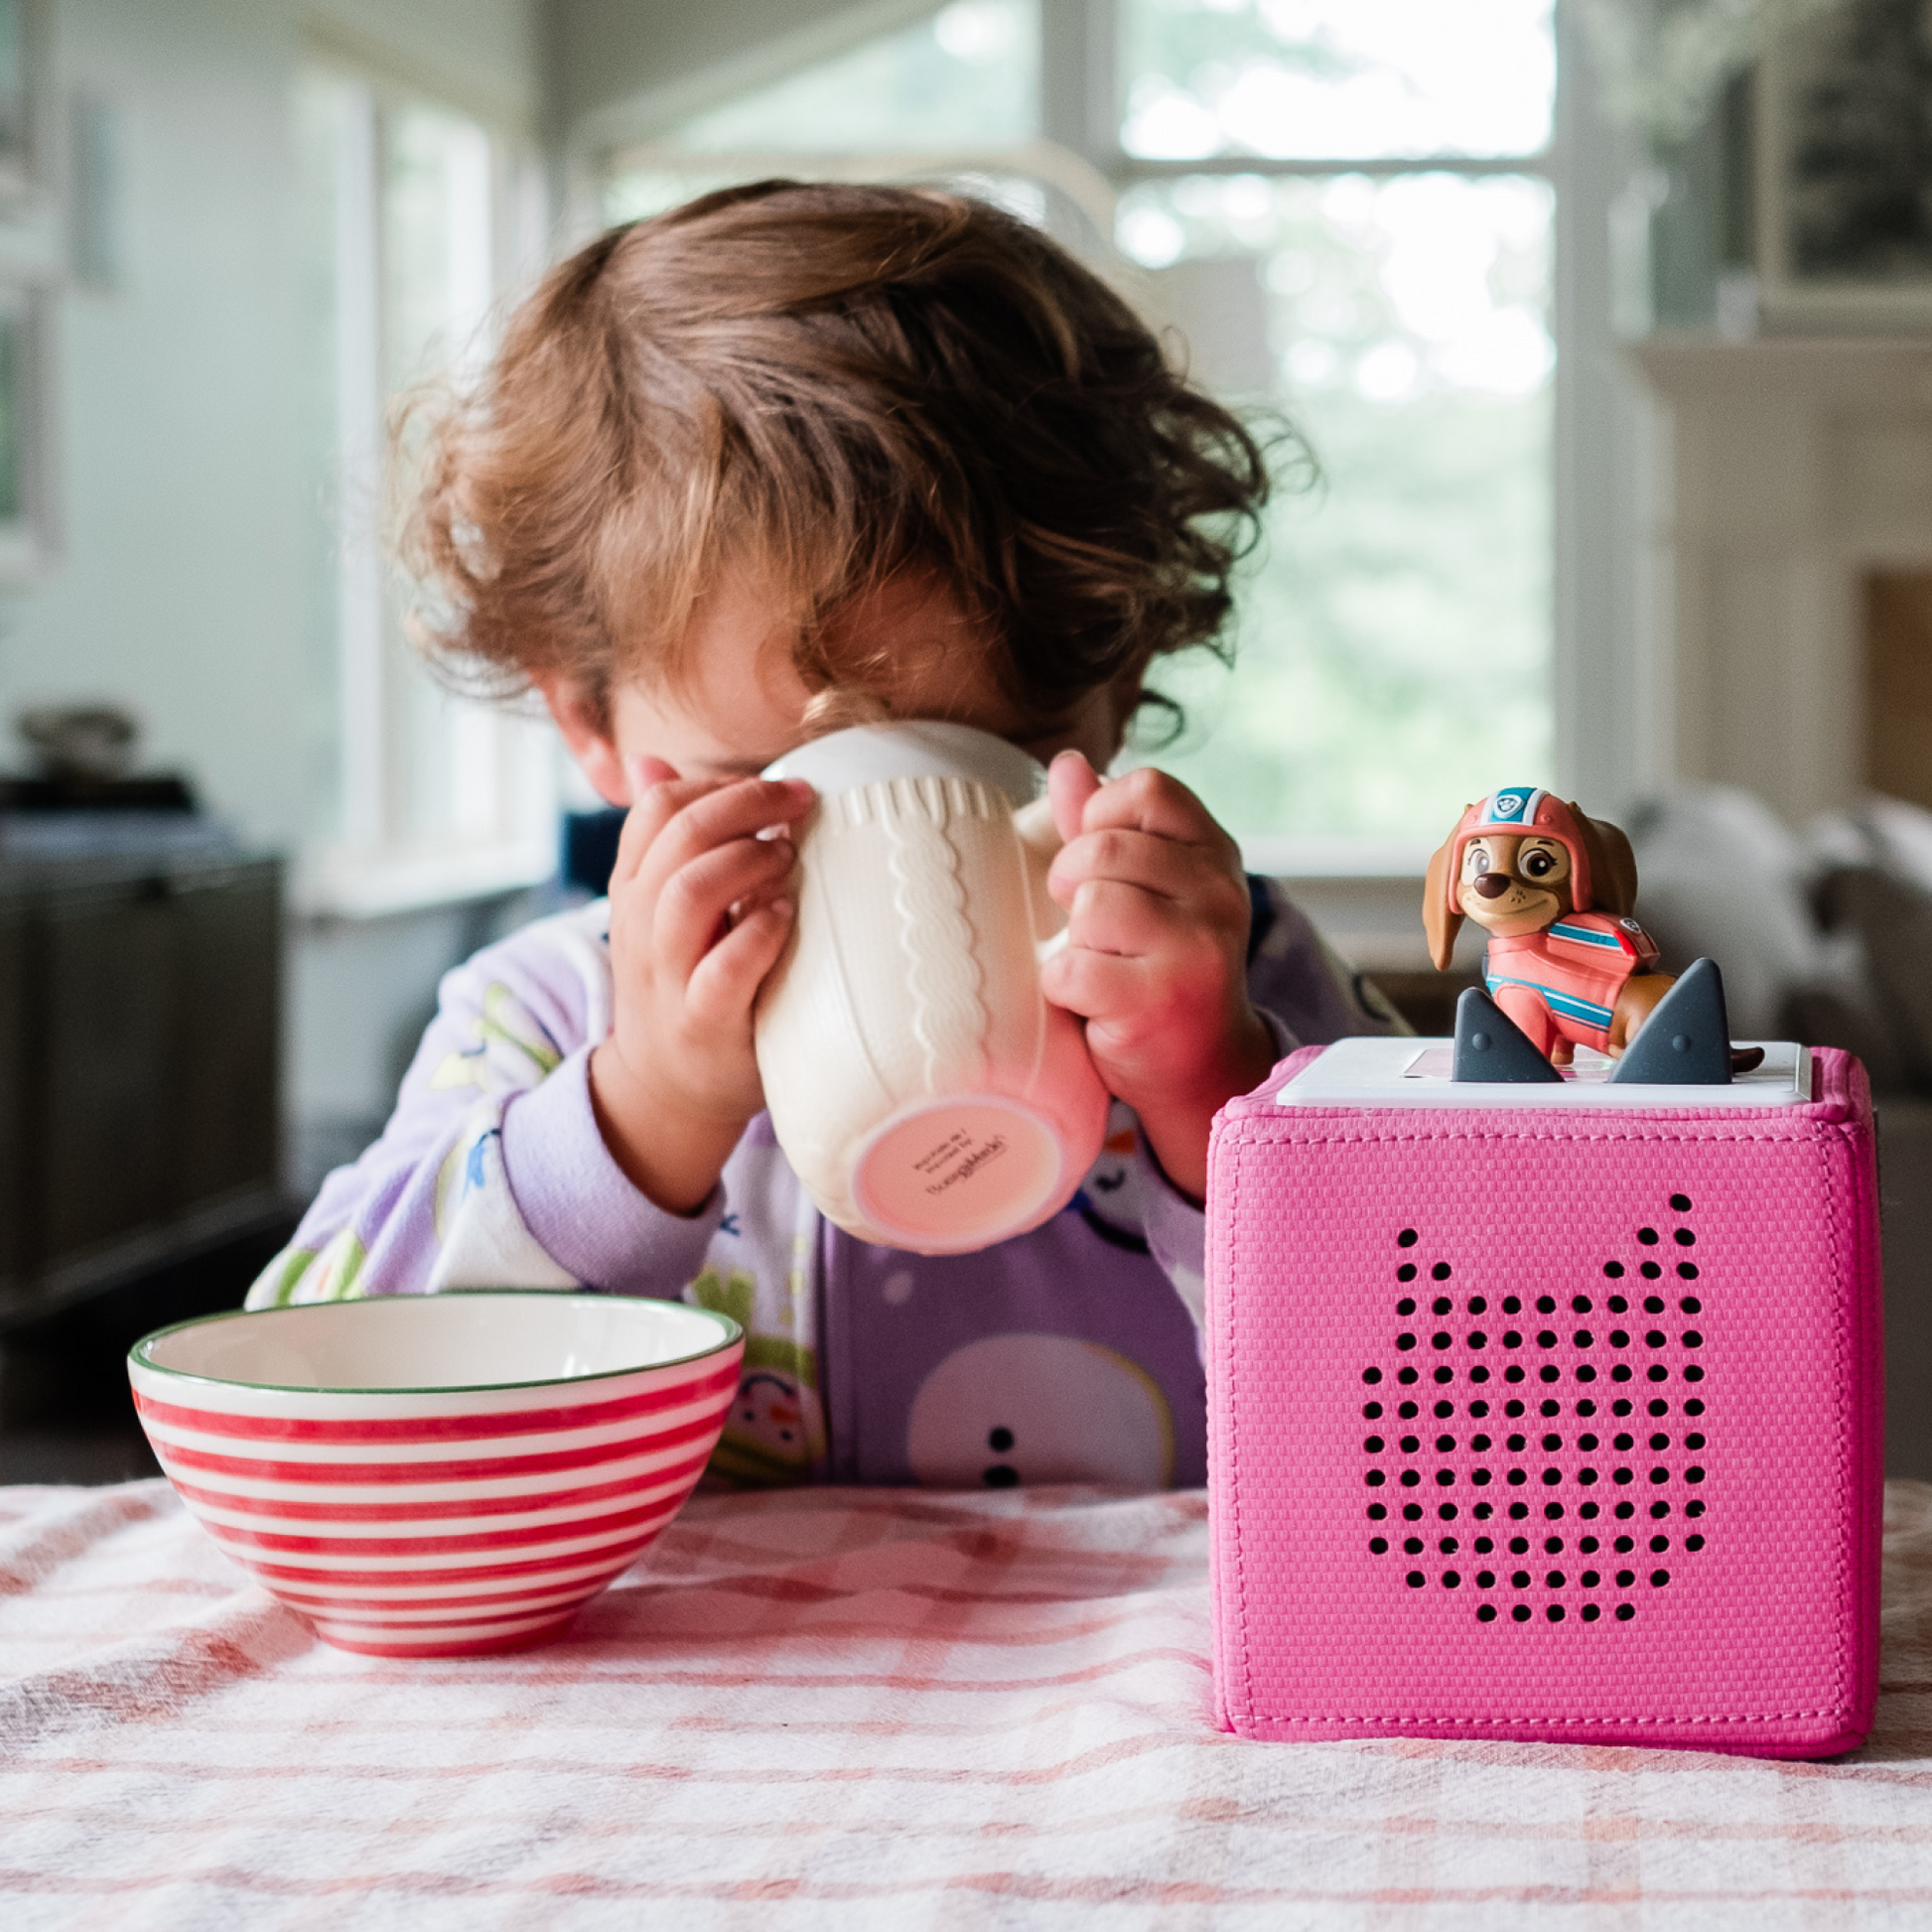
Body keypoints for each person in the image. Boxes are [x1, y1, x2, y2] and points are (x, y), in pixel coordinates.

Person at [248, 181, 1403, 1488]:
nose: (886, 859)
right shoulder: (545, 1017)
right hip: (694, 1683)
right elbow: (305, 1384)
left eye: (992, 760)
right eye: (774, 780)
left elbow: (1476, 1380)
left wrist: (1214, 1098)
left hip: (1140, 1676)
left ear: (1115, 688)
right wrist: (640, 1110)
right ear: (588, 716)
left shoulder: (1232, 977)